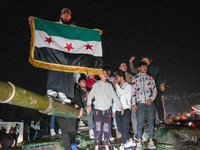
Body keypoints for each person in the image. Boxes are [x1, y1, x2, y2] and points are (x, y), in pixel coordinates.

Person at [87, 68, 124, 150]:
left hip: (107, 110)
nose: (105, 74)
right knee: (98, 129)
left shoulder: (109, 85)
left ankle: (107, 146)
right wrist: (88, 104)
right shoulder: (96, 85)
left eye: (106, 73)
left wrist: (120, 106)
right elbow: (90, 95)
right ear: (99, 75)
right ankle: (96, 147)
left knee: (107, 128)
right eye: (103, 73)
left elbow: (115, 97)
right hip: (98, 110)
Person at [129, 56, 166, 123]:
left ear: (149, 61)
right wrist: (131, 62)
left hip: (154, 89)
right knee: (147, 107)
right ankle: (148, 122)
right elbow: (133, 70)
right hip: (145, 93)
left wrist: (161, 84)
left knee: (158, 104)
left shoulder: (154, 68)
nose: (144, 61)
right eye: (143, 60)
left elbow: (159, 76)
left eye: (146, 60)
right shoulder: (141, 69)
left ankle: (161, 120)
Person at [132, 62, 157, 150]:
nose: (145, 68)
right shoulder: (135, 78)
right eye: (143, 67)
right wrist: (133, 103)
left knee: (151, 121)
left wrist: (151, 99)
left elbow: (154, 90)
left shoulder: (150, 78)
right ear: (139, 68)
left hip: (149, 103)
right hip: (140, 103)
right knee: (140, 123)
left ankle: (151, 141)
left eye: (146, 67)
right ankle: (139, 142)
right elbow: (133, 91)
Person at [113, 71, 136, 150]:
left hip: (126, 108)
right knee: (119, 128)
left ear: (121, 78)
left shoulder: (128, 86)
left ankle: (122, 145)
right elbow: (116, 99)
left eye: (117, 78)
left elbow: (122, 93)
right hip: (118, 110)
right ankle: (131, 140)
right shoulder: (118, 87)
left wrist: (116, 85)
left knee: (125, 127)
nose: (116, 79)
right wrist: (113, 110)